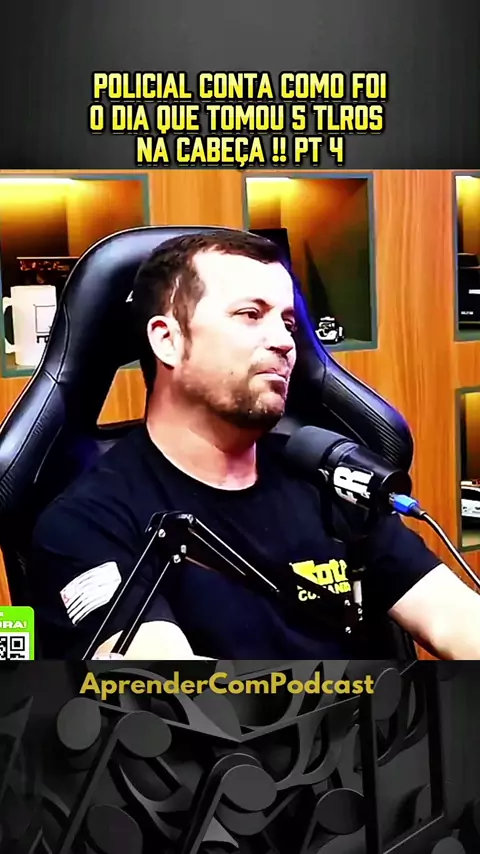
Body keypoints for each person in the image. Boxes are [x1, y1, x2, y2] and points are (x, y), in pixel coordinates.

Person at [29, 230, 480, 660]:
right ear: (168, 340)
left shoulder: (327, 480)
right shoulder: (85, 523)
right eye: (250, 314)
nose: (285, 342)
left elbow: (453, 619)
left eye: (287, 322)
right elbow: (169, 691)